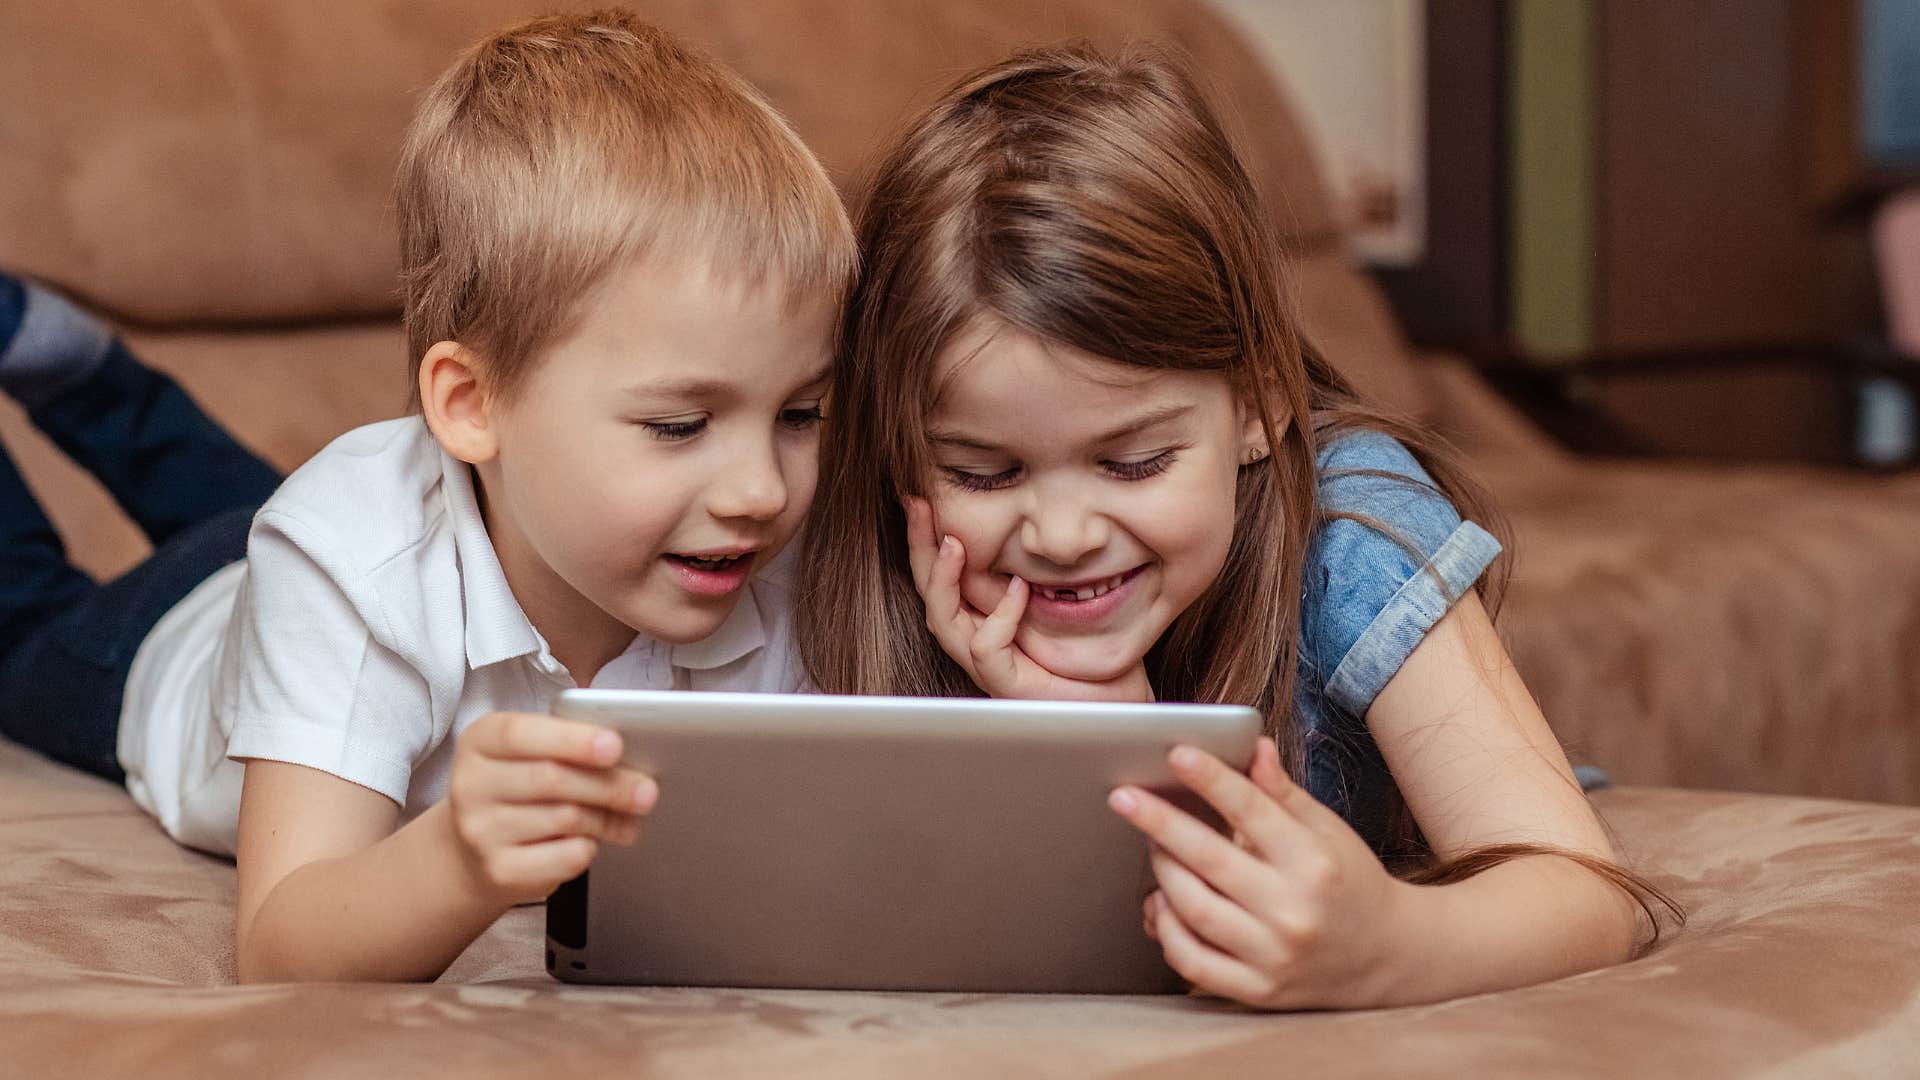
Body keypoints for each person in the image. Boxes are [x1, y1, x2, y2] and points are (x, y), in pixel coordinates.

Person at [797, 44, 1677, 1010]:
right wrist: (1111, 739)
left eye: (1134, 462)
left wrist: (1390, 944)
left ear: (1260, 406)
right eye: (981, 471)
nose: (1058, 533)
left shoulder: (1354, 530)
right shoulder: (878, 553)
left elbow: (1593, 896)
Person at [0, 10, 854, 983]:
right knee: (28, 620)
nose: (762, 490)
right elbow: (282, 949)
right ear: (472, 404)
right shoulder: (345, 560)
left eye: (802, 415)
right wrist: (454, 857)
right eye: (678, 426)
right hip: (179, 639)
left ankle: (85, 370)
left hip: (327, 537)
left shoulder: (786, 552)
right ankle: (91, 380)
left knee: (245, 513)